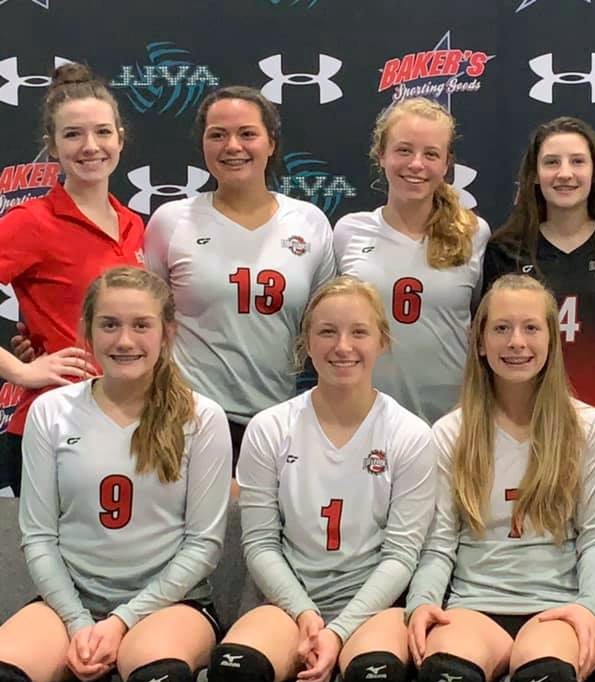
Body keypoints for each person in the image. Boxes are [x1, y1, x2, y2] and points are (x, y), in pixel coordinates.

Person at [0, 266, 231, 682]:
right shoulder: (52, 412)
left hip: (171, 605)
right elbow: (40, 537)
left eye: (140, 325)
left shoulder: (201, 418)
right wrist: (80, 623)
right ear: (86, 330)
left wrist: (122, 621)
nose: (125, 341)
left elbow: (203, 545)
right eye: (109, 324)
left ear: (167, 331)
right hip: (71, 601)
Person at [204, 276, 435, 682]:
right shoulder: (271, 427)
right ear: (307, 341)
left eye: (359, 332)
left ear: (382, 341)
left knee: (375, 679)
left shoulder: (410, 434)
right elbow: (261, 545)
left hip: (374, 607)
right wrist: (306, 614)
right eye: (327, 331)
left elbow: (402, 556)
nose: (342, 346)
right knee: (233, 673)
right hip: (286, 602)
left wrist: (341, 629)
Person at [406, 274, 595, 682]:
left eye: (531, 328)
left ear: (553, 341)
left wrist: (590, 610)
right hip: (473, 607)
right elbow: (440, 545)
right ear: (479, 342)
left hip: (556, 606)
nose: (516, 342)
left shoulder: (587, 427)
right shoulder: (451, 433)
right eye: (501, 328)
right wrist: (421, 603)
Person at [144, 86, 337, 466]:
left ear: (271, 143)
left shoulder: (309, 223)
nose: (232, 146)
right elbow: (148, 323)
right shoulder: (170, 222)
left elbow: (327, 326)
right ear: (202, 144)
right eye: (217, 134)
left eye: (247, 133)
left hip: (280, 423)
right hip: (187, 421)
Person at [0, 62, 143, 495]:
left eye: (102, 132)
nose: (90, 147)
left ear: (120, 137)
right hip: (54, 426)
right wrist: (21, 371)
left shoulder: (134, 223)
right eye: (72, 134)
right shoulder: (32, 222)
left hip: (130, 425)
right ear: (53, 145)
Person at [334, 97, 490, 424]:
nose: (416, 164)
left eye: (430, 154)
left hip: (451, 421)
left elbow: (481, 322)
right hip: (364, 418)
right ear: (382, 155)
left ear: (446, 163)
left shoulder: (473, 233)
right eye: (404, 150)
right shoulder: (348, 232)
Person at [483, 116, 595, 421]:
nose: (565, 174)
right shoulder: (505, 249)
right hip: (523, 415)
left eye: (578, 162)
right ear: (533, 174)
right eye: (552, 162)